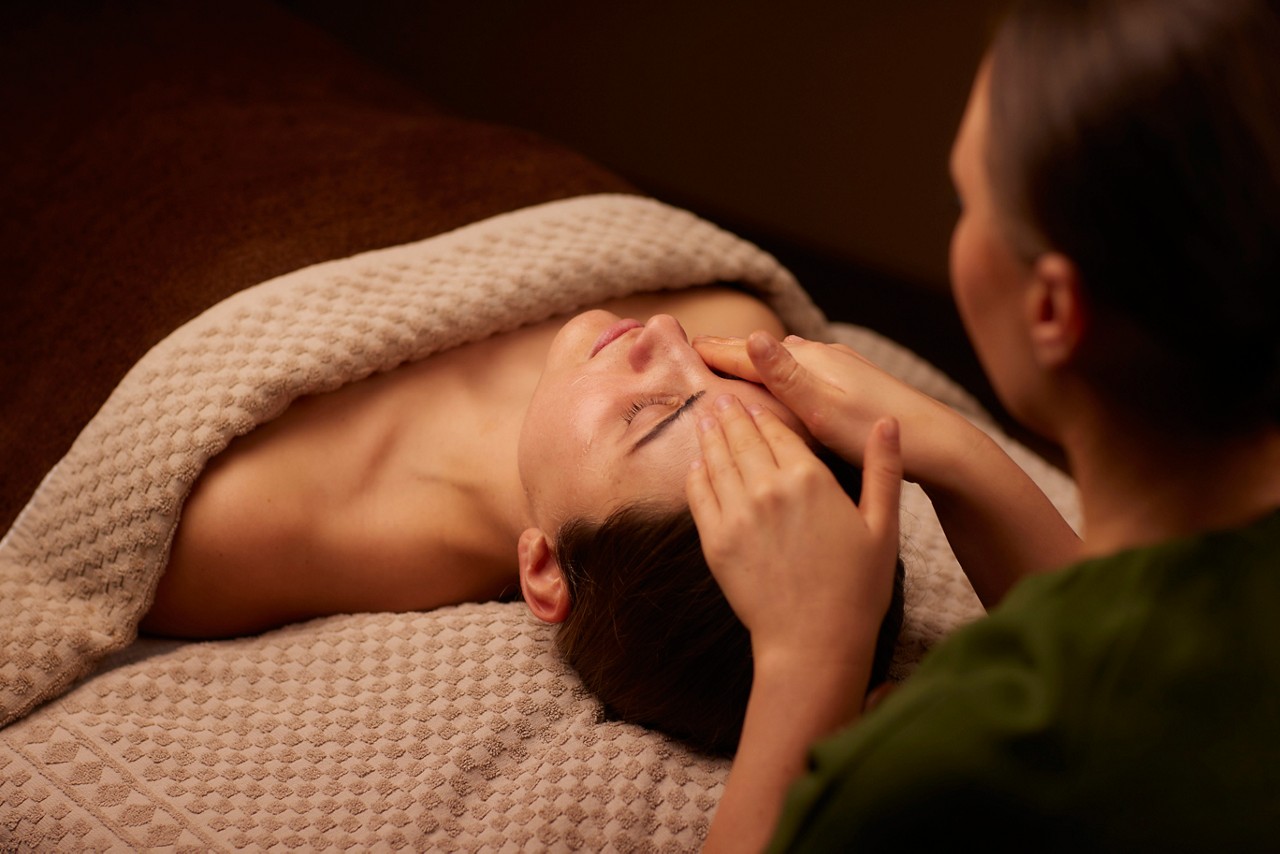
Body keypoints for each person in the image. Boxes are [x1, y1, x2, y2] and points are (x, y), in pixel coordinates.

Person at [692, 0, 1280, 849]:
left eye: (966, 201)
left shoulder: (954, 761)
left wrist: (810, 653)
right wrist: (961, 456)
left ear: (1051, 307)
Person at [138, 284, 910, 753]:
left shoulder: (228, 532)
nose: (670, 335)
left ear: (543, 568)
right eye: (715, 374)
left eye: (650, 412)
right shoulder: (733, 313)